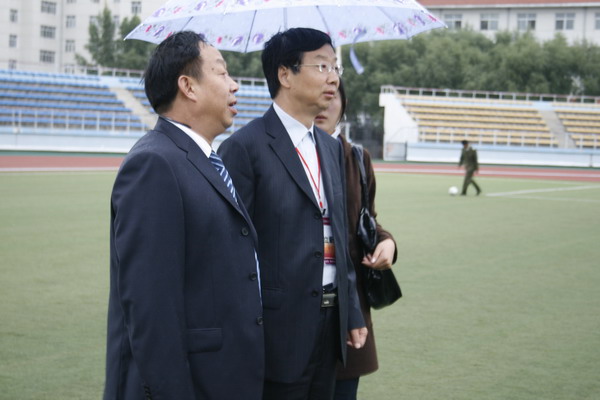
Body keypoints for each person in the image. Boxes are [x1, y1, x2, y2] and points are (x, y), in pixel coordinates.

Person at [103, 31, 264, 400]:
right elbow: (151, 308)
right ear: (188, 86)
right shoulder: (154, 164)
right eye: (222, 72)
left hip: (222, 378)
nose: (235, 85)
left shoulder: (203, 161)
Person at [218, 27, 367, 400]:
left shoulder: (329, 149)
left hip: (330, 325)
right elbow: (230, 253)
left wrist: (351, 312)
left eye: (335, 67)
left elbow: (338, 237)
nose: (333, 78)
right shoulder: (244, 148)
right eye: (321, 66)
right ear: (285, 74)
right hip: (275, 331)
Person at [314, 80, 398, 400]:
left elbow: (366, 220)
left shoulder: (359, 159)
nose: (323, 105)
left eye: (331, 97)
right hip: (295, 308)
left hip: (348, 309)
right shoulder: (282, 155)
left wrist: (387, 243)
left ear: (344, 104)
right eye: (316, 95)